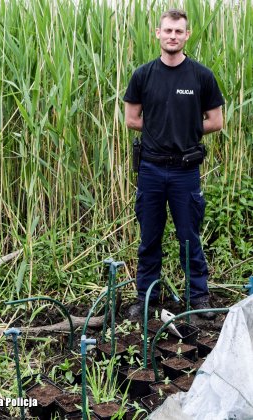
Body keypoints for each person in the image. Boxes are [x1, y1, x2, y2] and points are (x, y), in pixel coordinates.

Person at [124, 9, 224, 320]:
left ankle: (198, 297)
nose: (172, 36)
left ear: (187, 35)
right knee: (149, 237)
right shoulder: (143, 75)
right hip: (151, 170)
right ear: (157, 33)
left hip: (185, 172)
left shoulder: (201, 76)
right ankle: (146, 298)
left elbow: (216, 121)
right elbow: (132, 119)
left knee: (189, 237)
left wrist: (185, 130)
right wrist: (161, 129)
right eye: (168, 30)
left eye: (178, 32)